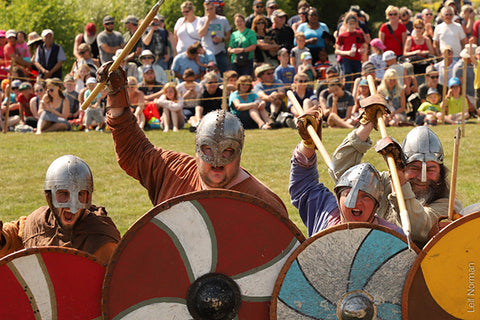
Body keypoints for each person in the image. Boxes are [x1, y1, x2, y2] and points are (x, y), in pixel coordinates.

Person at [97, 61, 288, 217]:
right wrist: (116, 95)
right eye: (208, 149)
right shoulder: (175, 171)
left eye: (227, 151)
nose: (216, 161)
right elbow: (135, 151)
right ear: (197, 147)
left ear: (239, 151)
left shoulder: (263, 205)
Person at [330, 93, 463, 247]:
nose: (422, 177)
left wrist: (400, 180)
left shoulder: (449, 206)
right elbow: (339, 171)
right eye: (414, 168)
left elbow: (417, 229)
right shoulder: (385, 182)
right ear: (403, 165)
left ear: (441, 171)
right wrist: (368, 123)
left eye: (431, 169)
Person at [289, 113, 403, 236]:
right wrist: (307, 144)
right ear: (337, 198)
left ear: (376, 205)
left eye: (365, 196)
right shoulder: (325, 211)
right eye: (348, 194)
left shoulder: (392, 236)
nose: (355, 202)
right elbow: (303, 186)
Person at [0, 155, 121, 265]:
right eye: (63, 193)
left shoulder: (101, 240)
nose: (72, 205)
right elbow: (15, 234)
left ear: (88, 197)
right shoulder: (39, 222)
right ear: (49, 196)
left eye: (80, 194)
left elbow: (117, 282)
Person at [335, 13, 366, 92]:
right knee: (348, 78)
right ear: (346, 24)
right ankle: (347, 94)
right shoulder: (343, 36)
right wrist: (347, 53)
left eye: (354, 24)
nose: (352, 26)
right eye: (350, 24)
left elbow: (365, 45)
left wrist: (362, 50)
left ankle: (357, 95)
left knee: (358, 78)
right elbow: (337, 50)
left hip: (357, 59)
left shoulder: (359, 34)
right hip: (347, 59)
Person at [198, 0, 231, 75]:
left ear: (215, 8)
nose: (209, 11)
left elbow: (228, 36)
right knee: (209, 76)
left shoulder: (223, 20)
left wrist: (221, 39)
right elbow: (201, 34)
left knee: (225, 74)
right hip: (207, 53)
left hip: (220, 52)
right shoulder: (202, 20)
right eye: (207, 9)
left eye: (211, 9)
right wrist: (208, 20)